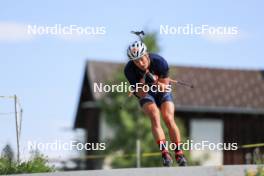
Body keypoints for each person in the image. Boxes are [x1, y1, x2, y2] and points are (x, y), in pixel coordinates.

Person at [124, 40, 187, 167]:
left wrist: (155, 82)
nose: (140, 63)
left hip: (161, 89)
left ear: (147, 54)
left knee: (168, 118)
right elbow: (141, 94)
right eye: (136, 61)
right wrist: (143, 83)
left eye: (142, 59)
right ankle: (165, 153)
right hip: (147, 93)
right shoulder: (129, 70)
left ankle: (179, 153)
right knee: (154, 115)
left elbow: (165, 88)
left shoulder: (159, 62)